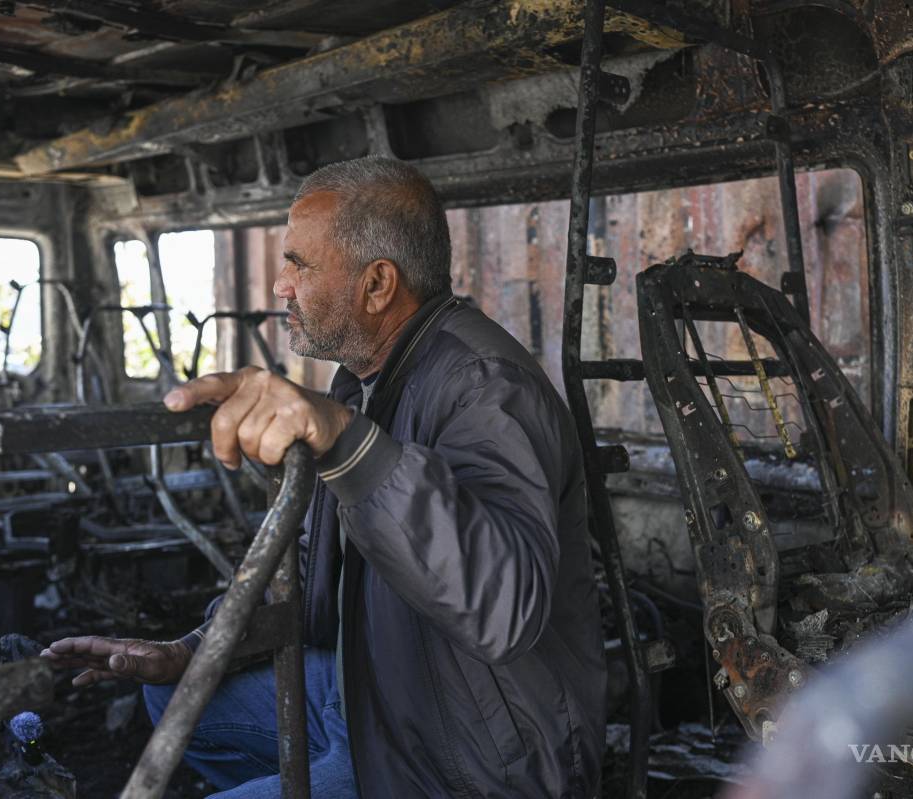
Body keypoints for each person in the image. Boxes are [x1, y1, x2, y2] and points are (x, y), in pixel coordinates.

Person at [42, 156, 607, 798]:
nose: (281, 285)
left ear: (377, 285)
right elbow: (310, 575)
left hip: (473, 759)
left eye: (298, 264)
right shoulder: (366, 380)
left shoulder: (485, 388)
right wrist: (195, 646)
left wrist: (350, 445)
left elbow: (505, 610)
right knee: (173, 694)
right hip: (369, 689)